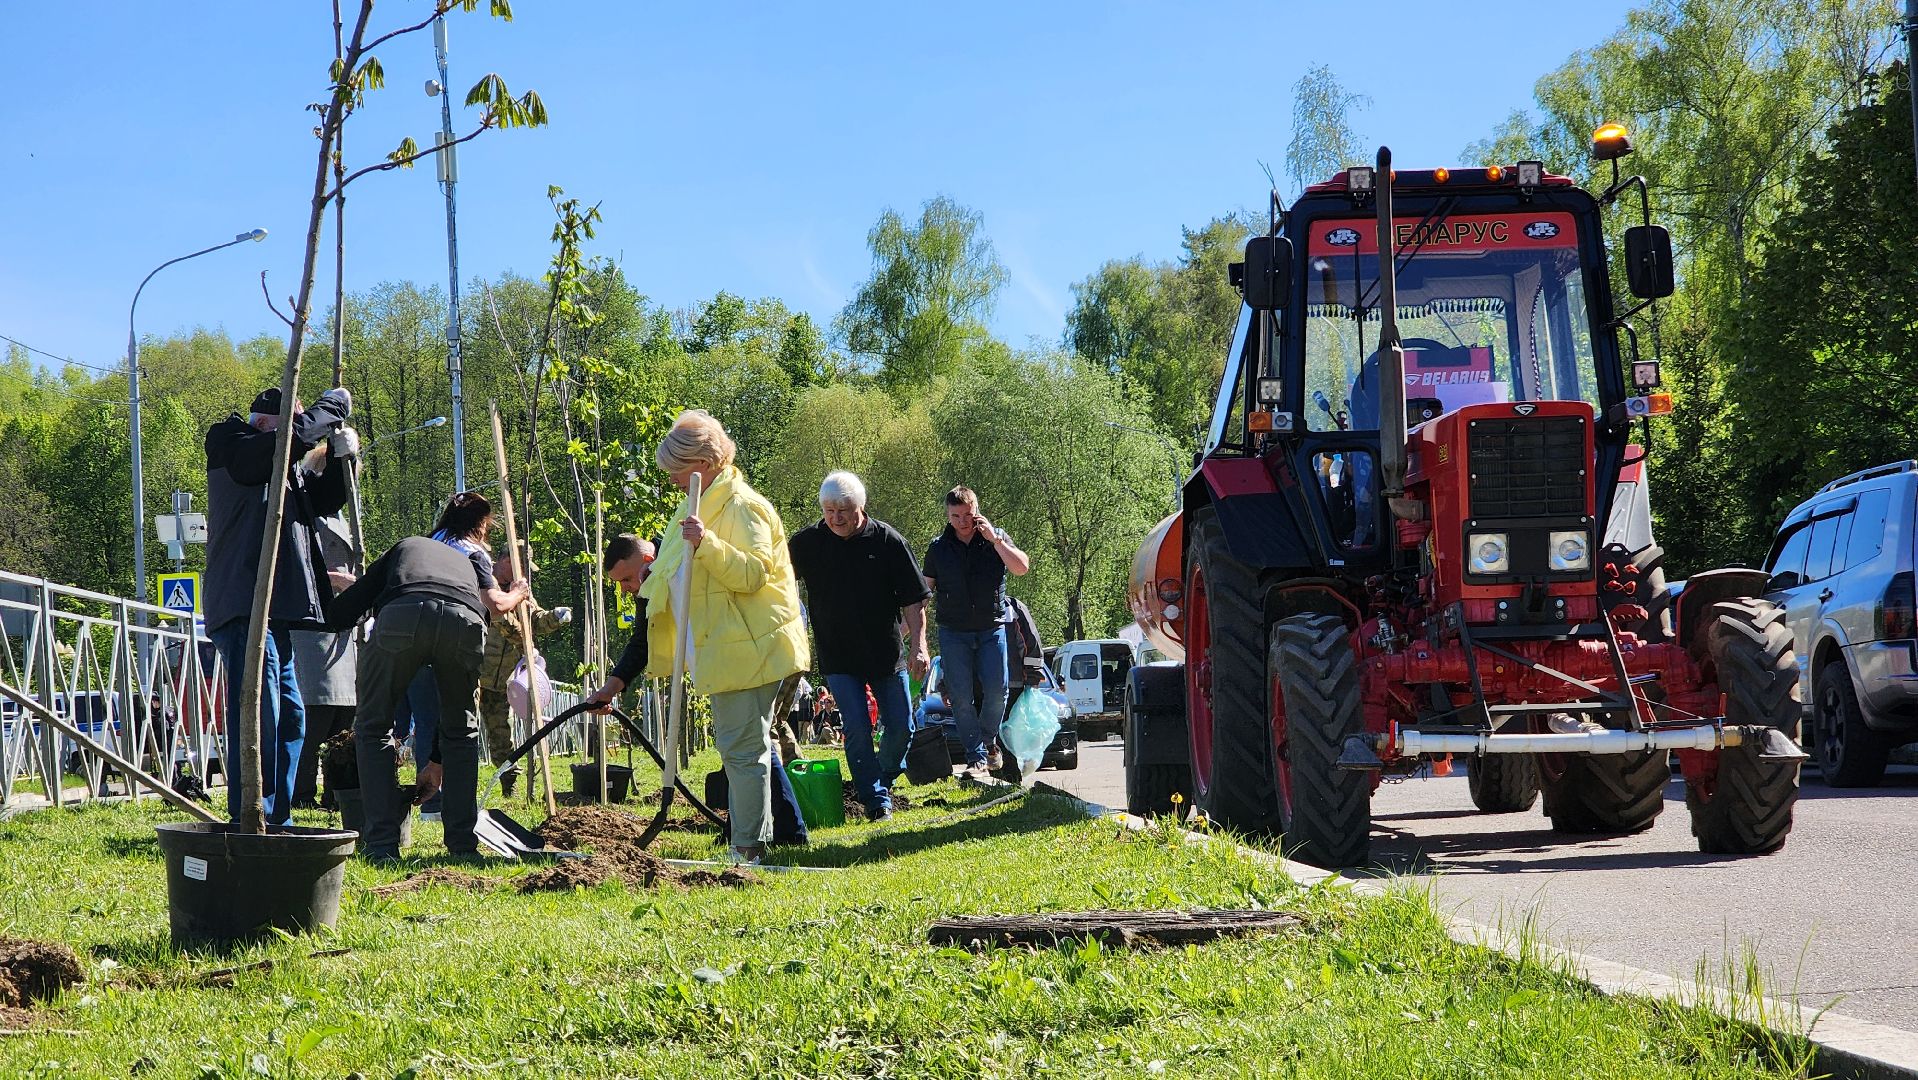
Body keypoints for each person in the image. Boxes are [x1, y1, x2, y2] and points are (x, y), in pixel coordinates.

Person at [623, 410, 809, 865]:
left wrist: (707, 543)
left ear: (703, 463)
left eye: (676, 470)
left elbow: (751, 574)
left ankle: (747, 848)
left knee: (742, 750)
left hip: (750, 647)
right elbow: (669, 571)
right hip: (725, 647)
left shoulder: (743, 505)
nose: (670, 479)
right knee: (744, 747)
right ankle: (755, 839)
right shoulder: (694, 506)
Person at [203, 385, 356, 825]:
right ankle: (254, 813)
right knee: (260, 709)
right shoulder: (231, 441)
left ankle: (278, 814)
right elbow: (287, 444)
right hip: (243, 603)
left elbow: (324, 502)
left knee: (290, 716)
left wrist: (342, 462)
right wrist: (332, 407)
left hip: (276, 614)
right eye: (294, 423)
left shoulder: (285, 469)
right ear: (270, 423)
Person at [323, 534, 513, 862]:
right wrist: (435, 761)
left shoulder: (403, 548)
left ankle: (382, 845)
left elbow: (342, 612)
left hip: (404, 614)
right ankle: (463, 847)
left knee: (373, 727)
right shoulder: (468, 562)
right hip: (466, 621)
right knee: (461, 732)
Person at [787, 471, 930, 821]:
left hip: (885, 651)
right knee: (856, 727)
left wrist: (920, 647)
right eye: (828, 510)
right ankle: (875, 800)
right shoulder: (807, 543)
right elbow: (779, 582)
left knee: (901, 727)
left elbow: (915, 600)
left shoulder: (887, 541)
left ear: (860, 507)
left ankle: (880, 777)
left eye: (843, 510)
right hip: (837, 655)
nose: (835, 518)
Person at [922, 485, 1030, 775]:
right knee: (960, 696)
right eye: (955, 516)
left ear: (977, 512)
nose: (962, 522)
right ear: (948, 515)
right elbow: (924, 592)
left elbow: (1021, 567)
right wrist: (910, 632)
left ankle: (986, 740)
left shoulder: (996, 539)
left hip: (990, 628)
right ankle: (976, 756)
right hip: (953, 631)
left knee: (998, 690)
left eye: (967, 514)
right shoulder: (938, 548)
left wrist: (995, 540)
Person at [477, 549, 570, 798]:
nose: (527, 573)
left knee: (500, 735)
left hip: (499, 683)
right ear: (508, 561)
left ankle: (510, 784)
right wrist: (526, 644)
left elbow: (534, 620)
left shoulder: (519, 590)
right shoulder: (486, 584)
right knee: (458, 731)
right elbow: (504, 621)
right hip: (473, 677)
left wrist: (554, 618)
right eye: (524, 566)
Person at [291, 514, 359, 809]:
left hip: (343, 628)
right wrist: (336, 579)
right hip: (312, 625)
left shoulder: (346, 517)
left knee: (344, 718)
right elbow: (292, 564)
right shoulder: (302, 513)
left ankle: (337, 793)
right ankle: (302, 794)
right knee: (316, 716)